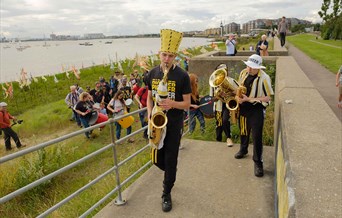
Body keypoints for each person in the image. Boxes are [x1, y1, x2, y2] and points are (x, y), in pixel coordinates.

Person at [146, 29, 191, 212]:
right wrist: (150, 115)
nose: (166, 59)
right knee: (156, 159)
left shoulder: (182, 76)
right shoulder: (152, 73)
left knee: (171, 159)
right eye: (164, 55)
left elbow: (187, 104)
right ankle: (170, 175)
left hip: (173, 125)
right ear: (159, 54)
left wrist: (173, 103)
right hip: (156, 124)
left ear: (175, 56)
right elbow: (149, 97)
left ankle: (166, 193)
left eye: (170, 56)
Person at [234, 54, 274, 177]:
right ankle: (243, 149)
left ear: (259, 68)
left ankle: (258, 163)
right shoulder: (243, 73)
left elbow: (268, 98)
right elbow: (238, 89)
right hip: (244, 107)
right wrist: (238, 98)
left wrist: (249, 99)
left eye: (252, 67)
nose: (249, 69)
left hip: (256, 109)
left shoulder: (265, 78)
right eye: (248, 66)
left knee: (256, 136)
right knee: (243, 130)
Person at [211, 64, 235, 147]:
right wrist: (218, 95)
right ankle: (218, 140)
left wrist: (229, 94)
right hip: (218, 106)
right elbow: (212, 98)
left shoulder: (232, 81)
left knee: (225, 121)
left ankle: (229, 138)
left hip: (228, 105)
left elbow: (237, 92)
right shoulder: (214, 83)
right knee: (219, 124)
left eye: (225, 70)